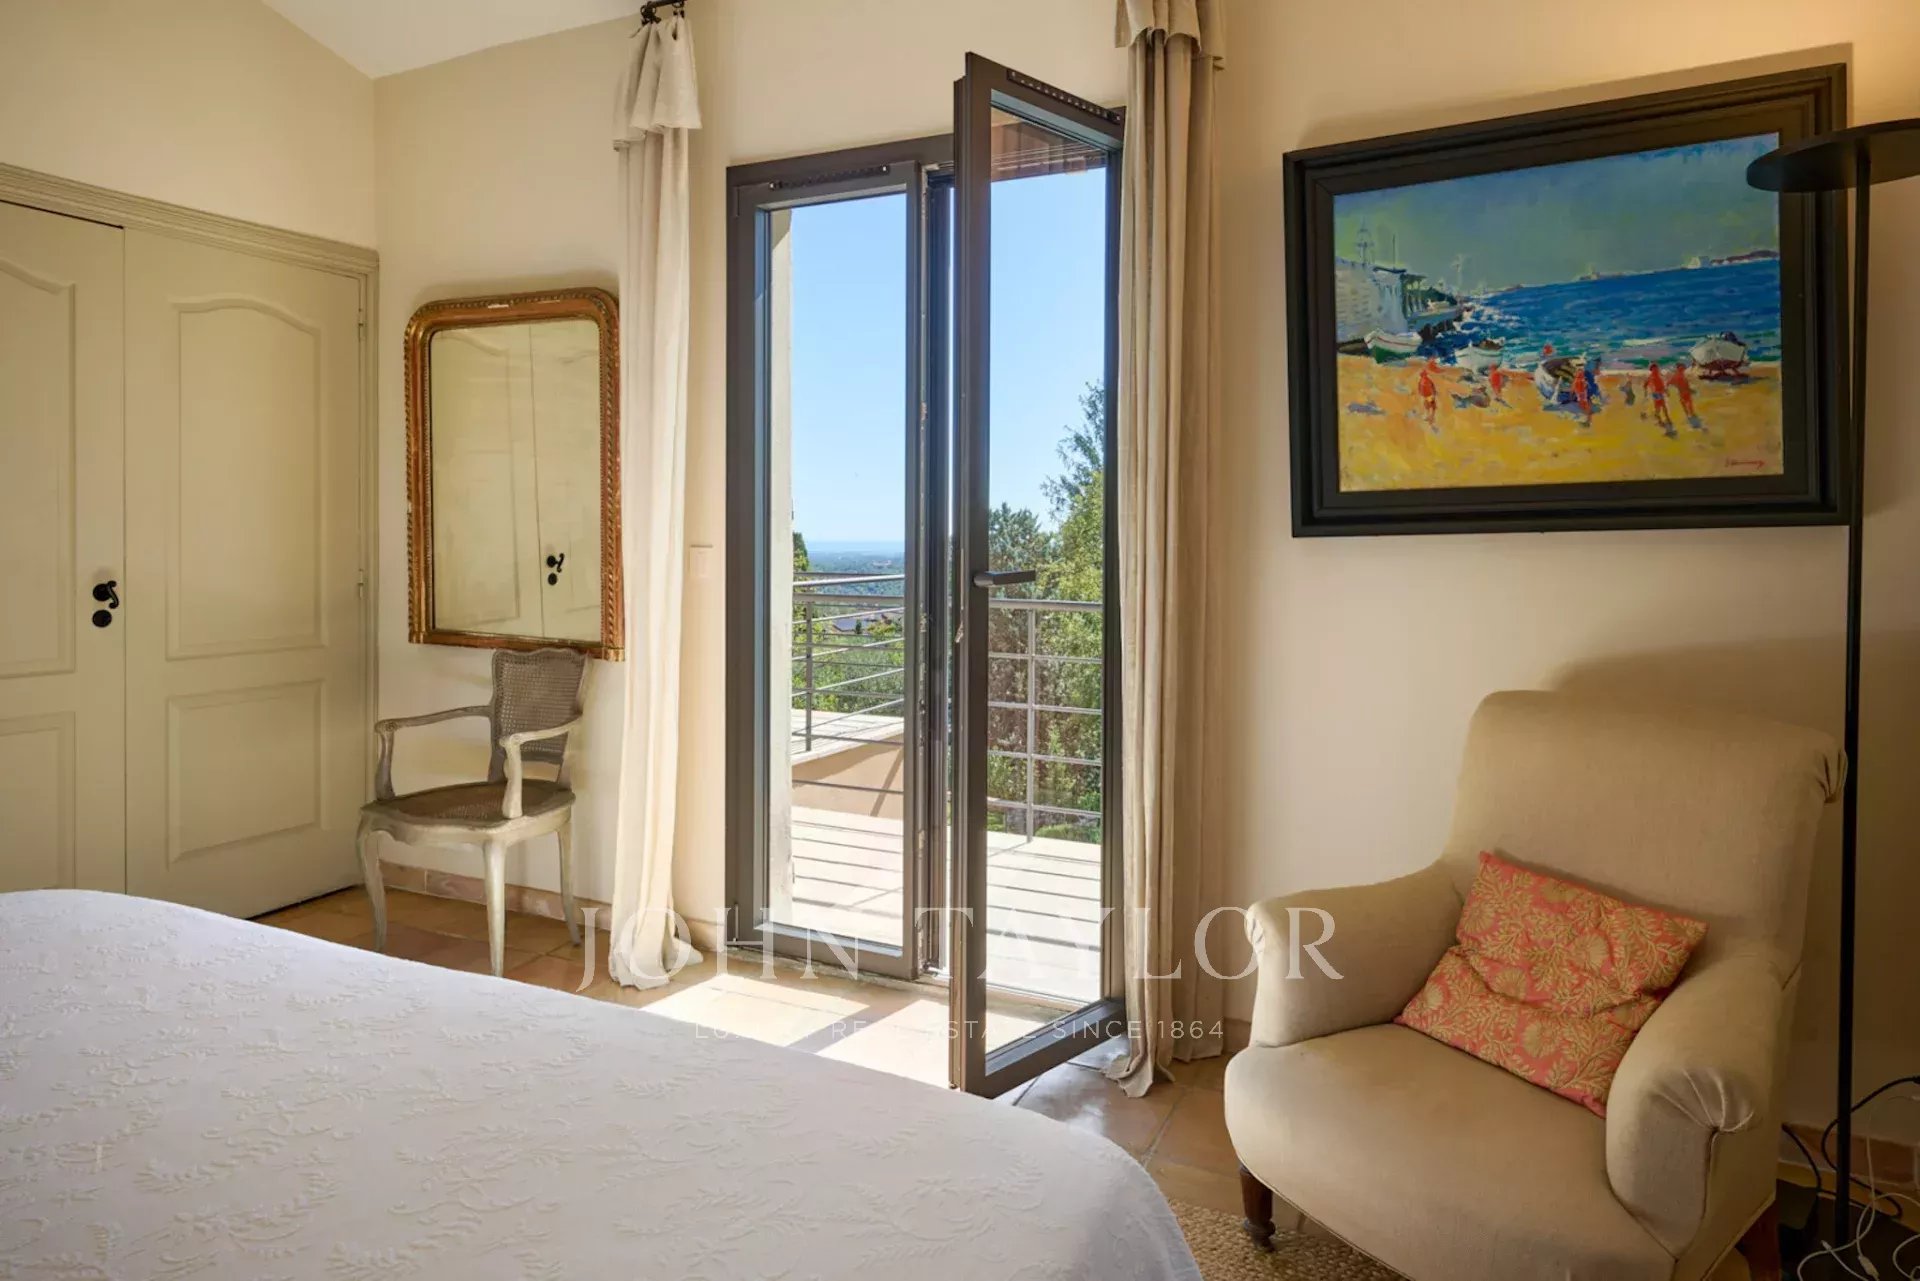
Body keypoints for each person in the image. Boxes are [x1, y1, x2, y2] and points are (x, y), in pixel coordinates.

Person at [1644, 362, 1674, 437]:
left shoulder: (1657, 375)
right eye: (1654, 368)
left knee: (1662, 407)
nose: (1656, 369)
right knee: (1661, 407)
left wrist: (1666, 391)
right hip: (1657, 393)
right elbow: (1646, 384)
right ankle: (1661, 419)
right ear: (1652, 369)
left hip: (1658, 393)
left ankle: (1663, 418)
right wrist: (1647, 390)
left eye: (1656, 368)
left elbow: (1662, 385)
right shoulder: (1652, 376)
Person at [1670, 360, 1701, 429]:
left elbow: (1670, 382)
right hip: (1685, 393)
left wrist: (1676, 386)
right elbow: (1685, 386)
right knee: (1689, 405)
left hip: (1681, 393)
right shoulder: (1681, 375)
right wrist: (1692, 391)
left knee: (1685, 404)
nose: (1684, 369)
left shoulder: (1676, 375)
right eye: (1683, 368)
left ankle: (1689, 417)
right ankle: (1692, 418)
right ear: (1680, 368)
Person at [1417, 357, 1438, 428]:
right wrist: (1434, 393)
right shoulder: (1426, 380)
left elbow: (1420, 388)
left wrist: (1433, 393)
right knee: (1430, 406)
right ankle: (1431, 417)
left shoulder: (1423, 380)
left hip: (1428, 396)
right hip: (1428, 395)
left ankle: (1430, 417)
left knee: (1429, 406)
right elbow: (1432, 387)